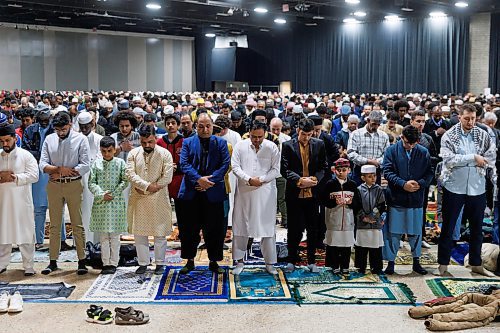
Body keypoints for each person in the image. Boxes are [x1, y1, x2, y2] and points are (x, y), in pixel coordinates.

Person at [436, 104, 496, 277]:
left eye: (473, 118)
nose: (471, 122)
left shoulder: (483, 135)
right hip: (454, 186)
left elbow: (489, 158)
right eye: (467, 118)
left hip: (477, 188)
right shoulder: (450, 135)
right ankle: (443, 264)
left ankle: (476, 263)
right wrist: (473, 158)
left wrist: (471, 160)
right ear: (459, 117)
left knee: (477, 229)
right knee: (449, 226)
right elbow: (448, 159)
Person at [177, 113, 230, 274]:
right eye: (201, 126)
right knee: (188, 229)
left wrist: (208, 182)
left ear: (213, 126)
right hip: (191, 192)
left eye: (208, 126)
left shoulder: (221, 143)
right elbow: (184, 164)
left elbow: (225, 164)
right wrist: (199, 180)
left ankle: (213, 261)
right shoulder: (187, 142)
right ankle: (189, 260)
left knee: (215, 229)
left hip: (213, 192)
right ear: (195, 126)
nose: (205, 129)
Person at [39, 111, 90, 275]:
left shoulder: (80, 139)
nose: (60, 133)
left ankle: (82, 261)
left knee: (77, 223)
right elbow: (42, 164)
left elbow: (86, 165)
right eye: (57, 130)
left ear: (70, 125)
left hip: (73, 185)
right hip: (54, 185)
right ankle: (52, 261)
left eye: (63, 129)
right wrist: (59, 169)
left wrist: (63, 171)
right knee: (54, 224)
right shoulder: (49, 139)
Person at [231, 122, 281, 275]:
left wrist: (262, 179)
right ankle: (239, 262)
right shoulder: (240, 146)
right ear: (249, 133)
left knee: (267, 228)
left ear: (265, 134)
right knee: (241, 227)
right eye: (254, 137)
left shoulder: (272, 147)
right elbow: (235, 167)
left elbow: (276, 170)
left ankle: (270, 263)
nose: (257, 140)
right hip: (245, 192)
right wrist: (248, 179)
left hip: (265, 192)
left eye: (260, 137)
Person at [382, 125, 433, 275]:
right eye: (407, 142)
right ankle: (390, 263)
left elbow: (429, 173)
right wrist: (403, 184)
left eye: (413, 143)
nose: (409, 146)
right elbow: (387, 171)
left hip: (416, 199)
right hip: (397, 198)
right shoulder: (391, 150)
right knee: (393, 233)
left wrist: (420, 184)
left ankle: (416, 262)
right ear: (402, 137)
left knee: (416, 233)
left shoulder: (423, 152)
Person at [281, 118, 329, 273]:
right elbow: (284, 169)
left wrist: (315, 179)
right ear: (297, 131)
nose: (306, 137)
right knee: (294, 228)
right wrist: (300, 180)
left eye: (309, 134)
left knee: (313, 228)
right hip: (295, 192)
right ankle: (291, 260)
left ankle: (311, 261)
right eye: (303, 134)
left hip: (313, 193)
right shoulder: (287, 145)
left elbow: (324, 167)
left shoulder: (319, 144)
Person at [126, 124, 173, 275]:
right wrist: (147, 186)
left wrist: (154, 187)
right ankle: (143, 263)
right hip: (139, 199)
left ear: (155, 138)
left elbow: (168, 176)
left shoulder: (165, 154)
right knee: (140, 234)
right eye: (144, 142)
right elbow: (130, 174)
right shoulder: (133, 153)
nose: (147, 145)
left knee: (159, 234)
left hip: (158, 198)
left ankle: (160, 263)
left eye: (150, 142)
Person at [0, 124, 39, 276]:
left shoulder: (25, 155)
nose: (5, 144)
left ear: (15, 138)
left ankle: (28, 266)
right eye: (2, 141)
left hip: (22, 203)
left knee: (25, 234)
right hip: (3, 204)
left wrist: (15, 177)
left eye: (8, 140)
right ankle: (2, 264)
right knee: (3, 235)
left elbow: (34, 176)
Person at [88, 137, 128, 275]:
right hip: (101, 203)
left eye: (109, 151)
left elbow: (125, 180)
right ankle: (106, 263)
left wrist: (114, 193)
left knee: (115, 236)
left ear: (114, 149)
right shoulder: (96, 164)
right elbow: (91, 183)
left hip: (116, 202)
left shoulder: (120, 163)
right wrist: (101, 194)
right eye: (103, 151)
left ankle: (114, 262)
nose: (106, 154)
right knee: (103, 236)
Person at [320, 158, 361, 275]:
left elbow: (358, 203)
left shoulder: (352, 185)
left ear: (349, 170)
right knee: (333, 244)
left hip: (348, 221)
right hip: (333, 220)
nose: (341, 172)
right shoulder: (330, 184)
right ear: (334, 171)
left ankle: (345, 266)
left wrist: (350, 203)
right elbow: (323, 201)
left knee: (346, 245)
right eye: (338, 170)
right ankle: (334, 265)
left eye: (344, 170)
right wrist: (334, 202)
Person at [354, 165, 386, 275]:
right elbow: (357, 206)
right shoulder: (358, 190)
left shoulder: (379, 190)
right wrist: (364, 217)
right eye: (369, 176)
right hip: (362, 223)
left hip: (375, 223)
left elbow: (381, 205)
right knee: (361, 246)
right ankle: (360, 267)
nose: (373, 178)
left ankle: (376, 268)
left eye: (374, 176)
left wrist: (373, 216)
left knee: (375, 247)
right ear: (363, 178)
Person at [77, 112, 103, 243]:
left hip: (95, 178)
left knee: (95, 209)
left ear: (92, 124)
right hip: (80, 178)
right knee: (83, 210)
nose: (84, 129)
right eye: (81, 126)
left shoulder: (99, 139)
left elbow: (100, 158)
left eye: (86, 126)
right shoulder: (74, 139)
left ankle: (96, 241)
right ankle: (83, 241)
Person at [347, 110, 389, 185]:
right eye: (373, 124)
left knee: (375, 195)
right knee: (359, 195)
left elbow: (387, 154)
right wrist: (367, 161)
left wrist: (377, 162)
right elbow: (350, 153)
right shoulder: (356, 134)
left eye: (378, 124)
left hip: (376, 172)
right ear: (368, 120)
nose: (375, 127)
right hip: (359, 172)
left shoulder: (384, 136)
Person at [270, 117, 291, 227]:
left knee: (282, 198)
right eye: (273, 129)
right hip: (268, 174)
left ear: (282, 127)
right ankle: (270, 219)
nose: (276, 132)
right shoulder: (266, 138)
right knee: (269, 199)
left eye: (278, 129)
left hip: (281, 173)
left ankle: (285, 219)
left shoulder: (287, 139)